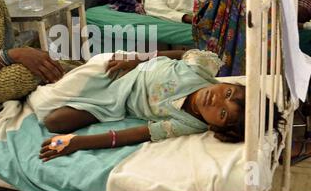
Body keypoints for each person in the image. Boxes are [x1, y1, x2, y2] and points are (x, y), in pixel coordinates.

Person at [27, 49, 249, 162]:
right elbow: (182, 52)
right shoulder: (202, 69)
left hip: (116, 100)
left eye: (222, 113)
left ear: (215, 128)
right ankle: (63, 70)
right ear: (229, 83)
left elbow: (136, 134)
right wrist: (137, 58)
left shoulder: (188, 123)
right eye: (228, 92)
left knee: (53, 120)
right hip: (124, 69)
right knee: (91, 70)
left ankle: (65, 72)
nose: (216, 100)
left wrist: (78, 143)